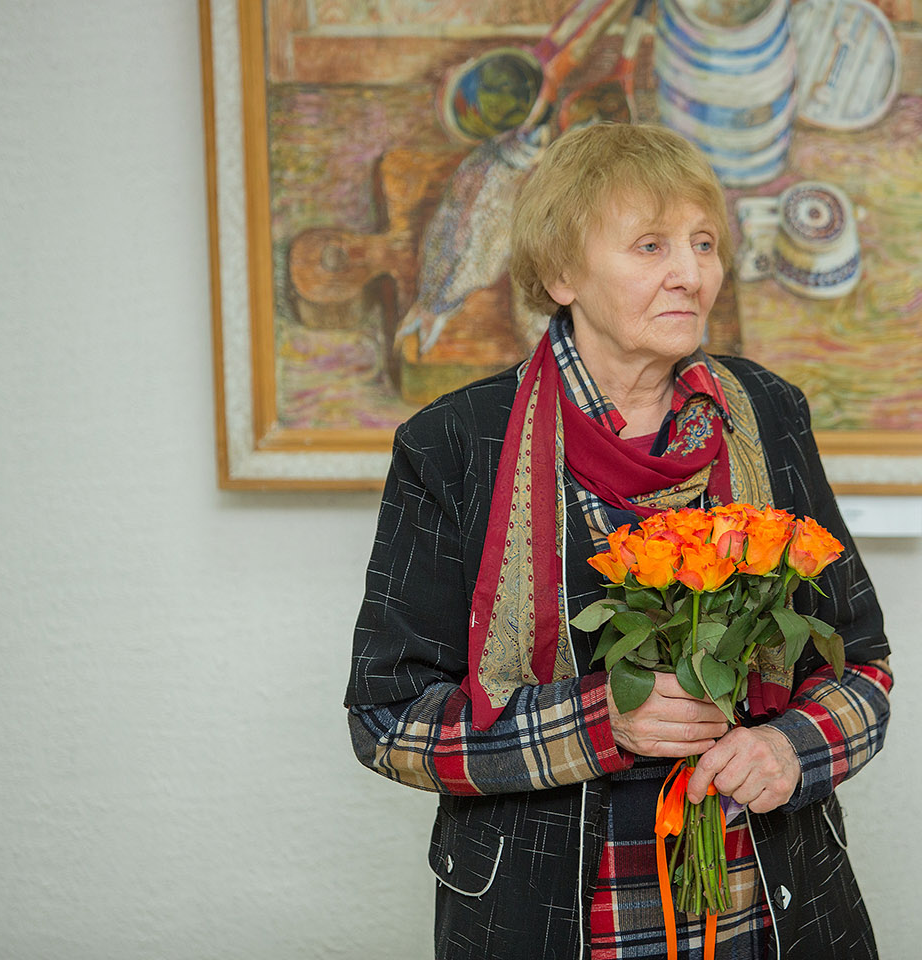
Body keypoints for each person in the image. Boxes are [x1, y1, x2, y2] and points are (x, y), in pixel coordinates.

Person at [345, 123, 893, 959]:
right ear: (562, 274)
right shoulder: (453, 444)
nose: (692, 275)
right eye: (650, 246)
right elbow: (388, 721)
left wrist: (792, 747)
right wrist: (603, 723)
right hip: (549, 924)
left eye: (703, 243)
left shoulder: (769, 414)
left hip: (765, 911)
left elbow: (862, 664)